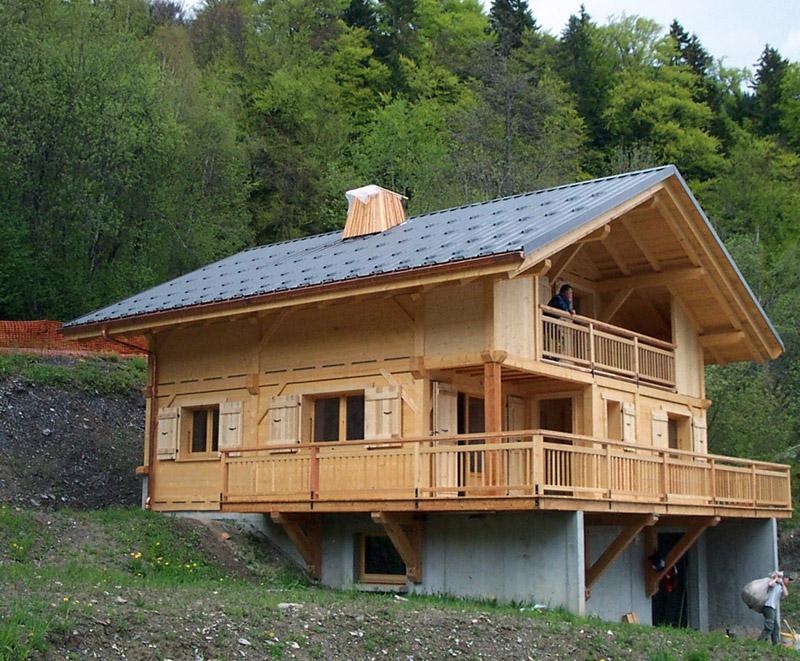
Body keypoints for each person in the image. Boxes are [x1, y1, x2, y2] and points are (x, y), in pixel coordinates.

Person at [758, 571, 792, 645]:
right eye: (788, 579)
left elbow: (786, 594)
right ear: (784, 578)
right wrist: (776, 579)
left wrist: (782, 583)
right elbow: (770, 584)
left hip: (773, 608)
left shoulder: (781, 587)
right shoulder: (775, 584)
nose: (789, 581)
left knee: (776, 627)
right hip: (768, 606)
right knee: (769, 626)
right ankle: (760, 641)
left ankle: (775, 644)